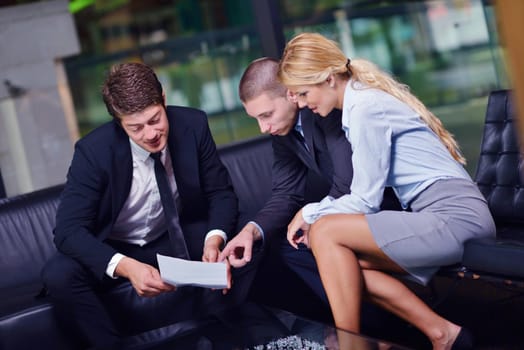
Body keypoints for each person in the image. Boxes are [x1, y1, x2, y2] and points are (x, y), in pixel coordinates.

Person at [279, 33, 496, 350]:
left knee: (324, 233)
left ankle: (352, 346)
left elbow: (366, 200)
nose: (299, 103)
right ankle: (443, 333)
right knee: (343, 266)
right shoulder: (360, 104)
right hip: (439, 215)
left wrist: (309, 212)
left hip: (457, 217)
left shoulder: (366, 109)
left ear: (327, 78)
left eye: (302, 92)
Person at [41, 62, 249, 350]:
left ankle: (227, 334)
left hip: (173, 235)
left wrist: (214, 240)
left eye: (155, 120)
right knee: (58, 275)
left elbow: (221, 193)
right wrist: (126, 267)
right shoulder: (93, 152)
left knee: (246, 235)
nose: (150, 134)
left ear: (163, 99)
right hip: (118, 246)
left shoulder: (193, 124)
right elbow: (67, 231)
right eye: (135, 128)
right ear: (119, 122)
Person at [218, 57, 354, 303]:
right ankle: (357, 327)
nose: (263, 128)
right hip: (341, 209)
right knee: (282, 246)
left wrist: (314, 220)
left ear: (290, 94)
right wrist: (251, 231)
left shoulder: (323, 108)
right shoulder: (283, 132)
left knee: (320, 239)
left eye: (267, 115)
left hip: (379, 204)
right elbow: (286, 193)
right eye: (256, 119)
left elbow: (347, 184)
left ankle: (365, 333)